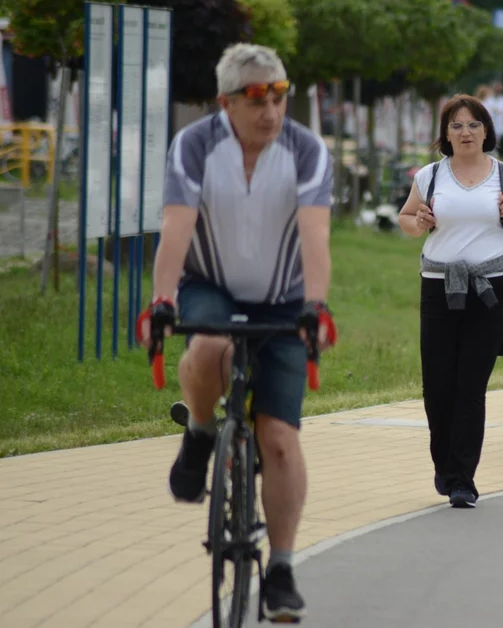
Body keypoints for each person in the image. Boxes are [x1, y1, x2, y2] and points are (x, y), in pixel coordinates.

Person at [135, 43, 337, 621]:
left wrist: (315, 306)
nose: (271, 110)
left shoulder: (305, 150)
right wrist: (164, 299)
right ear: (226, 102)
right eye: (256, 99)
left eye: (280, 95)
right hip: (210, 281)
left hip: (284, 295)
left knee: (278, 438)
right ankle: (200, 432)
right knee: (210, 344)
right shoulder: (195, 145)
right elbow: (176, 228)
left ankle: (282, 567)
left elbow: (315, 236)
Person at [397, 95, 503, 508]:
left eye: (474, 125)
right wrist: (418, 221)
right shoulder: (430, 176)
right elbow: (408, 219)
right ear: (445, 133)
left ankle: (463, 478)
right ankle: (444, 464)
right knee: (438, 386)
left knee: (470, 385)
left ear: (486, 132)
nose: (465, 132)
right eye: (456, 125)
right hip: (439, 287)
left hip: (489, 289)